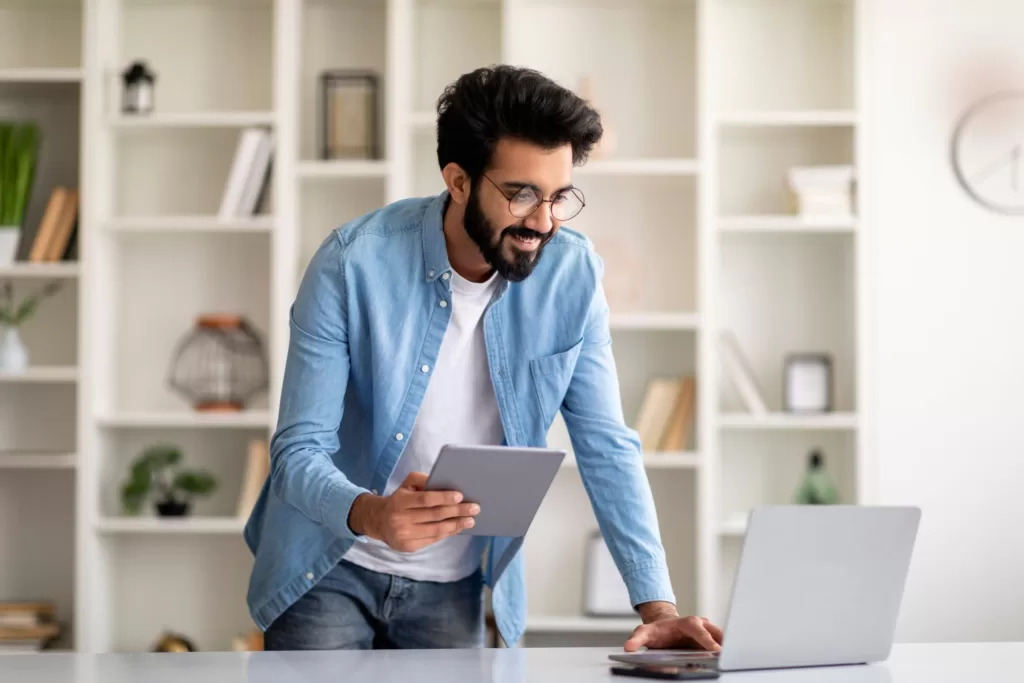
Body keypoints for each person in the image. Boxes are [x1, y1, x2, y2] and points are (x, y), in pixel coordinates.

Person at [242, 64, 723, 653]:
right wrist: (371, 515)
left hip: (457, 584)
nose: (543, 223)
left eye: (558, 197)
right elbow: (297, 451)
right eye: (522, 195)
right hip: (330, 566)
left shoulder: (572, 277)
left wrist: (658, 607)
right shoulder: (351, 264)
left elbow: (605, 445)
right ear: (459, 180)